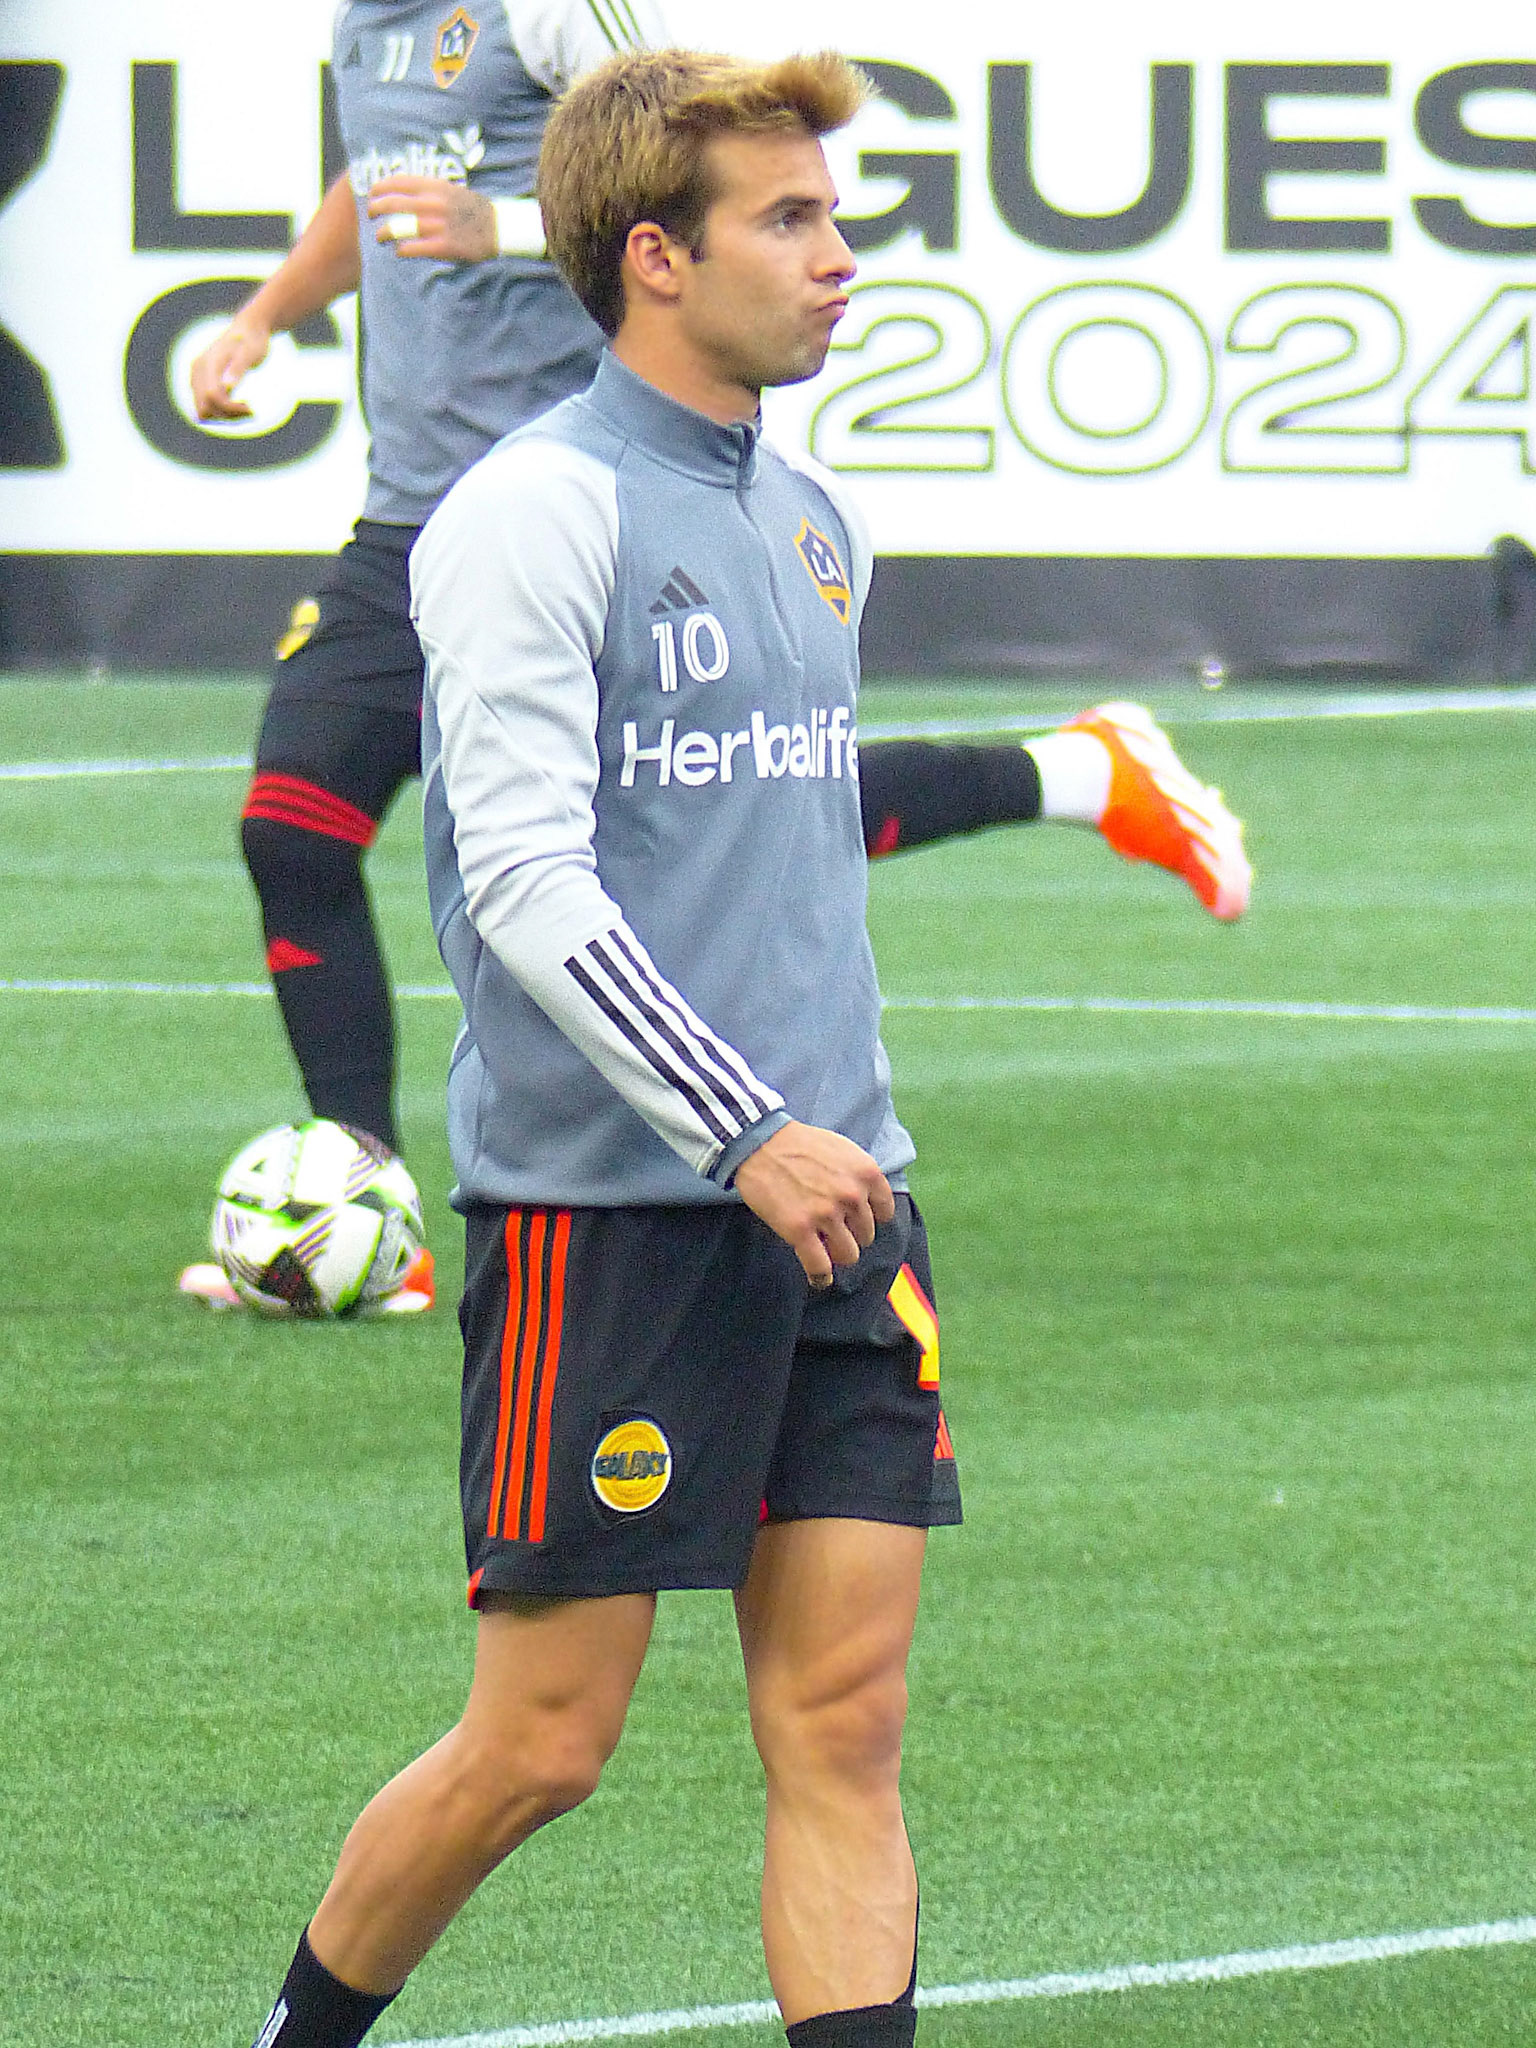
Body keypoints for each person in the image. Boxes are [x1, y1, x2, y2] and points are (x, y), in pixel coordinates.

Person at [242, 44, 965, 2048]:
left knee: (846, 1719)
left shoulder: (815, 518)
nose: (839, 255)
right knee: (542, 1745)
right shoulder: (526, 514)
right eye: (788, 219)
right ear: (656, 255)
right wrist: (744, 1128)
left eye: (833, 213)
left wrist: (829, 1138)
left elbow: (787, 860)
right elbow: (526, 885)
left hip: (846, 1201)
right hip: (618, 1218)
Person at [180, 1, 1251, 1314]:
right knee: (294, 830)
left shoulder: (542, 15)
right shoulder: (365, 27)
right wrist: (265, 315)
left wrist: (495, 229)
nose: (832, 253)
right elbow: (381, 189)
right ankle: (365, 1200)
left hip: (607, 505)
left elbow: (653, 188)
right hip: (413, 516)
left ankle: (1079, 773)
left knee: (736, 799)